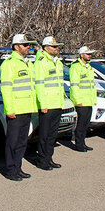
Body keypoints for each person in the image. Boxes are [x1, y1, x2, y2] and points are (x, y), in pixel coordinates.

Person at [0, 34, 38, 181]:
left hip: (26, 108)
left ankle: (18, 167)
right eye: (25, 45)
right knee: (13, 142)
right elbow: (6, 89)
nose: (28, 47)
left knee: (22, 142)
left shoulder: (28, 63)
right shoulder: (9, 64)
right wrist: (9, 110)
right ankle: (11, 170)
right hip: (16, 110)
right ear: (16, 47)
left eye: (28, 45)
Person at [34, 36, 65, 170]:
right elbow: (39, 85)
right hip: (47, 104)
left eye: (57, 46)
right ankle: (42, 160)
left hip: (57, 103)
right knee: (44, 135)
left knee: (53, 135)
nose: (56, 48)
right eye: (53, 46)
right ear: (46, 48)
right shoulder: (41, 62)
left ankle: (49, 158)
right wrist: (42, 104)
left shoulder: (58, 62)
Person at [69, 46, 97, 151]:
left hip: (88, 100)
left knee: (86, 124)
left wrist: (93, 99)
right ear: (81, 55)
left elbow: (92, 86)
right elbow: (74, 85)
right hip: (81, 101)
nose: (90, 56)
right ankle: (79, 144)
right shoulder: (76, 67)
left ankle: (83, 143)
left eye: (90, 54)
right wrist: (77, 101)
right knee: (80, 125)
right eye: (87, 54)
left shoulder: (88, 67)